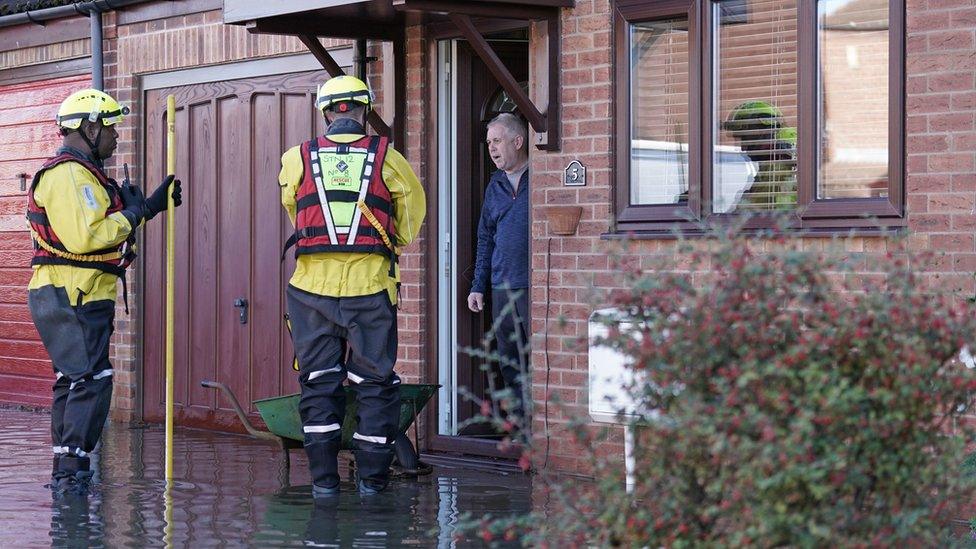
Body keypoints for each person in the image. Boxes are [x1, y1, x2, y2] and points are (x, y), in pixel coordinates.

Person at [27, 88, 182, 494]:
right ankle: (73, 477)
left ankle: (68, 469)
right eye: (110, 127)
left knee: (75, 379)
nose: (115, 136)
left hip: (75, 293)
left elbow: (102, 230)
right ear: (89, 127)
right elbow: (86, 236)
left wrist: (138, 209)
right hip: (71, 294)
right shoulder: (68, 174)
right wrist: (142, 210)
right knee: (91, 380)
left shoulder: (86, 174)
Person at [278, 75, 426, 496]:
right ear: (365, 111)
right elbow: (412, 214)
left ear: (326, 112)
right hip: (370, 287)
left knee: (319, 381)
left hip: (310, 290)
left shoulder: (297, 158)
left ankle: (324, 484)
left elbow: (294, 207)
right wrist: (385, 242)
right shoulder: (389, 157)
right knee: (375, 385)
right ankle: (372, 485)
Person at [466, 112, 531, 428]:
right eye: (489, 142)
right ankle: (520, 427)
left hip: (534, 286)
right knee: (510, 362)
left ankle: (541, 429)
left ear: (517, 141)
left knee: (539, 358)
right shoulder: (495, 185)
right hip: (501, 284)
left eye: (497, 141)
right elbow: (485, 236)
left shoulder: (540, 175)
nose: (491, 148)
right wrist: (478, 284)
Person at [722, 100, 797, 211]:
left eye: (745, 138)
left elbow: (755, 209)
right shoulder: (770, 163)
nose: (743, 148)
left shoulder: (783, 160)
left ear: (761, 130)